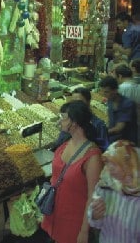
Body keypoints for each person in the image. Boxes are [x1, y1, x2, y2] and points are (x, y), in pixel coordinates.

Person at [41, 100, 103, 243]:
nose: (60, 121)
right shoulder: (63, 145)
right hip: (55, 213)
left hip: (74, 221)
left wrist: (84, 231)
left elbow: (92, 197)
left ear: (74, 123)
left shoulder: (92, 156)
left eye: (63, 117)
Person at [88, 140, 140, 243]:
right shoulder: (105, 186)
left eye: (114, 163)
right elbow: (94, 222)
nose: (109, 169)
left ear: (128, 165)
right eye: (107, 163)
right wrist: (95, 215)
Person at [51, 87, 109, 152]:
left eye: (79, 102)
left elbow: (103, 150)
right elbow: (60, 141)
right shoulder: (69, 122)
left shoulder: (98, 125)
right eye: (73, 102)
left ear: (89, 102)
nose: (75, 106)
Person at [99, 76, 137, 145]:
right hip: (112, 140)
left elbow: (119, 128)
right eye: (102, 91)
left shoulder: (127, 104)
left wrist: (101, 132)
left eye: (106, 92)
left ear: (115, 90)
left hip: (127, 143)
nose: (103, 94)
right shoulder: (110, 101)